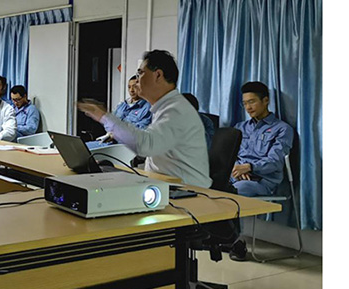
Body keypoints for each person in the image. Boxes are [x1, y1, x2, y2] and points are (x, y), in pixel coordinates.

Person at [77, 50, 211, 188]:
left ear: (158, 75)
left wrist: (104, 117)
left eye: (140, 73)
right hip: (163, 185)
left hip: (189, 192)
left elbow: (146, 145)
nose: (137, 81)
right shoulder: (162, 108)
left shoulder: (176, 111)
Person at [231, 81, 293, 197]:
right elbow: (230, 155)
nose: (248, 108)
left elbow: (276, 162)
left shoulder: (282, 129)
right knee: (205, 185)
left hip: (262, 181)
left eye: (251, 102)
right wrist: (237, 169)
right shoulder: (240, 127)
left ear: (265, 101)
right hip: (236, 177)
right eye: (244, 103)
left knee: (230, 192)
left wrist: (249, 167)